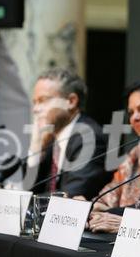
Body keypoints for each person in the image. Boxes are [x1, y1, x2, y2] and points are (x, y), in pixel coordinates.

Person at [87, 75, 140, 233]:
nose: (135, 118)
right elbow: (108, 194)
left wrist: (109, 212)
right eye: (131, 112)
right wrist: (90, 206)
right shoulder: (136, 154)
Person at [27, 68, 111, 199]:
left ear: (71, 101)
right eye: (35, 102)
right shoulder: (51, 140)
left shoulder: (89, 138)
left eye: (43, 100)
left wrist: (24, 202)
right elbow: (28, 188)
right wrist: (36, 148)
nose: (36, 109)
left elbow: (71, 196)